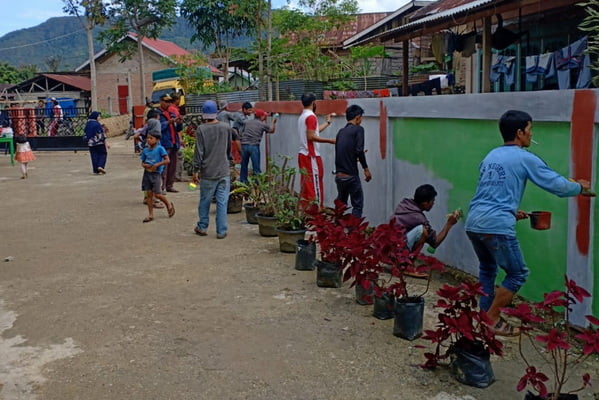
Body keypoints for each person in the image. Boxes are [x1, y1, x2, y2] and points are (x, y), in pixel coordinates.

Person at [464, 109, 593, 336]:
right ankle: (491, 317)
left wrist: (510, 211)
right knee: (518, 274)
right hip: (496, 226)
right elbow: (557, 185)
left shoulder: (491, 156)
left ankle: (482, 320)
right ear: (520, 132)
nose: (531, 136)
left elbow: (490, 193)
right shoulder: (524, 158)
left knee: (488, 269)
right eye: (530, 130)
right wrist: (580, 187)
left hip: (474, 222)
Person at [192, 100, 233, 239]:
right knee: (222, 202)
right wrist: (229, 161)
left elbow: (199, 152)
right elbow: (228, 149)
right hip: (223, 170)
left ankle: (202, 226)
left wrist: (195, 170)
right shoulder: (226, 127)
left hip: (208, 172)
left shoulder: (201, 129)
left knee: (205, 200)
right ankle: (221, 230)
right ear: (216, 112)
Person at [392, 184, 460, 253]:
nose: (433, 203)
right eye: (432, 201)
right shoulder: (419, 218)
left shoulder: (405, 204)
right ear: (425, 203)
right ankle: (406, 259)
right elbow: (435, 242)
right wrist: (449, 224)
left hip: (391, 242)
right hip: (397, 247)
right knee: (423, 231)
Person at [297, 93, 335, 208]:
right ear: (314, 103)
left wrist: (327, 123)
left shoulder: (303, 116)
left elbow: (314, 132)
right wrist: (330, 141)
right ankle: (317, 212)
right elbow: (311, 137)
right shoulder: (311, 117)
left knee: (307, 185)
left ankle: (307, 212)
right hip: (311, 155)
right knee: (315, 184)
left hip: (304, 154)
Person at [334, 105, 371, 217]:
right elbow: (359, 150)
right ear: (358, 117)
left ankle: (336, 229)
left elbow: (343, 151)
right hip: (351, 176)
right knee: (357, 206)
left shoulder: (341, 132)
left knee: (340, 206)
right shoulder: (359, 129)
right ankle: (354, 232)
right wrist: (366, 169)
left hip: (339, 176)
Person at [140, 131, 175, 223]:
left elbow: (167, 160)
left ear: (157, 140)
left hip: (156, 174)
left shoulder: (160, 149)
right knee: (149, 195)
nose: (148, 140)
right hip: (147, 173)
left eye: (151, 138)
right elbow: (142, 162)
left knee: (158, 194)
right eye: (147, 138)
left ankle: (168, 204)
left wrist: (157, 165)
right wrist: (145, 165)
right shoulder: (145, 150)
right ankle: (150, 214)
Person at [239, 109, 277, 182]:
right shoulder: (262, 124)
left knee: (244, 165)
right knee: (256, 167)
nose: (265, 117)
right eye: (264, 116)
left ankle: (243, 182)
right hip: (254, 146)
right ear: (261, 117)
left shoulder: (247, 122)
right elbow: (271, 130)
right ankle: (257, 184)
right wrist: (273, 122)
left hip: (244, 145)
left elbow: (241, 133)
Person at [158, 94, 182, 193]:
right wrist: (168, 122)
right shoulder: (158, 113)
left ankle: (169, 185)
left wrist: (179, 123)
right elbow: (158, 127)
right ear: (161, 101)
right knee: (164, 167)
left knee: (173, 166)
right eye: (166, 101)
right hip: (165, 143)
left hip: (173, 142)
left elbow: (177, 128)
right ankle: (162, 187)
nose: (168, 104)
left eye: (169, 102)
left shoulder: (171, 113)